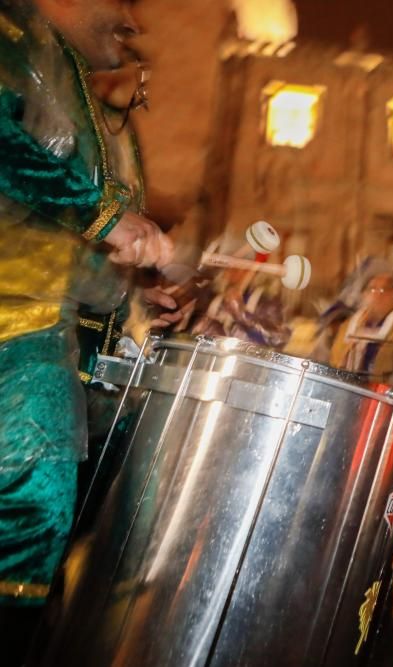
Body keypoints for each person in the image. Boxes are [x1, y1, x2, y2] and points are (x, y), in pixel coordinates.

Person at [0, 0, 174, 657]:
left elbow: (55, 231)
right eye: (124, 0)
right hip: (19, 323)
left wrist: (146, 291)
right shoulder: (14, 39)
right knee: (29, 519)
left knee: (43, 530)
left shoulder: (47, 55)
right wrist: (100, 216)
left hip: (43, 321)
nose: (134, 24)